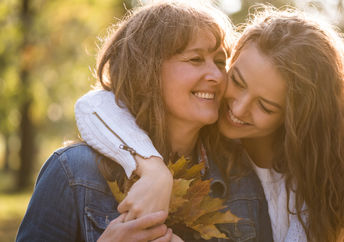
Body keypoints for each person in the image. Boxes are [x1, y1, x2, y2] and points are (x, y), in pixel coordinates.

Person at [75, 6, 344, 242]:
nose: (237, 109)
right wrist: (154, 170)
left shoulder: (324, 182)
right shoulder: (206, 131)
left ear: (299, 119)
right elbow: (95, 105)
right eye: (236, 81)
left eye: (265, 106)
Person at [16, 1, 273, 241]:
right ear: (145, 71)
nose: (217, 75)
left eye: (220, 61)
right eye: (196, 59)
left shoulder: (239, 177)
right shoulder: (73, 172)